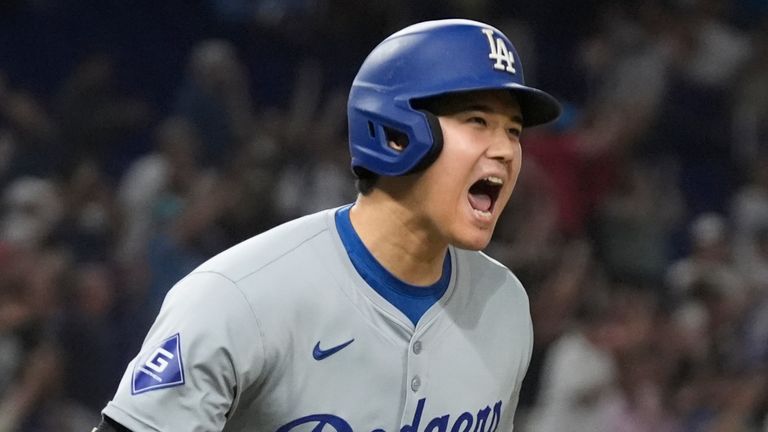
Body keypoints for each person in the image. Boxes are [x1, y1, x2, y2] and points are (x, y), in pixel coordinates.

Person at [93, 18, 560, 432]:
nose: (504, 149)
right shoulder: (238, 298)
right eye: (477, 121)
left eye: (514, 130)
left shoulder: (505, 305)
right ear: (396, 134)